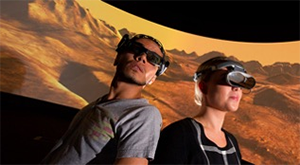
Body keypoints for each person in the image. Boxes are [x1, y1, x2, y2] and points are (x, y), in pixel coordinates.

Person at [40, 34, 170, 165]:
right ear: (117, 57)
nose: (142, 57)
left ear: (153, 78)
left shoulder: (143, 115)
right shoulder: (97, 105)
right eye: (136, 49)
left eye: (153, 59)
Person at [150, 56, 256, 165]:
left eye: (239, 83)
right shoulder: (179, 135)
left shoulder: (231, 142)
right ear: (203, 87)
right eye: (226, 79)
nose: (236, 88)